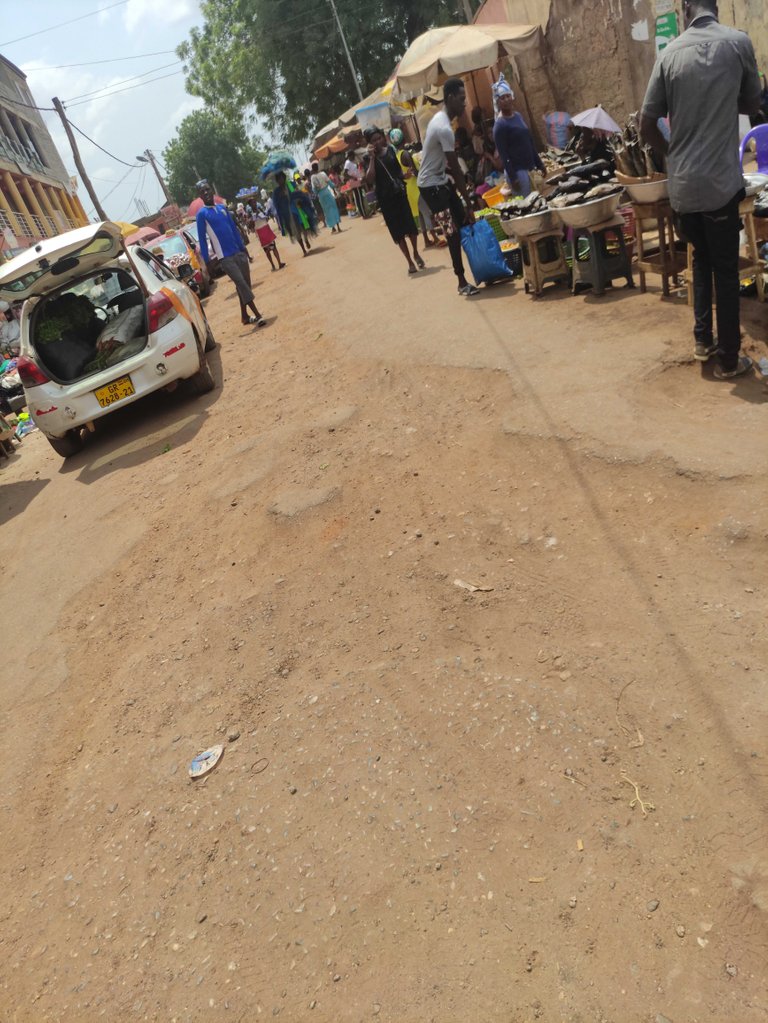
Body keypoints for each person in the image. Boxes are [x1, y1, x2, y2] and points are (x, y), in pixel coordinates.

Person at [640, 0, 761, 379]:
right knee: (725, 271)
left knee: (700, 260)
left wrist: (673, 153)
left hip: (683, 189)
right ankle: (729, 360)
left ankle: (702, 340)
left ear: (685, 10)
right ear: (715, 7)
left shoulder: (668, 55)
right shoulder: (737, 43)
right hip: (719, 185)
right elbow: (752, 103)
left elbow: (646, 124)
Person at [417, 77, 480, 297]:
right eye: (462, 99)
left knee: (462, 221)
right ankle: (461, 282)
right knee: (452, 232)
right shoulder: (444, 127)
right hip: (430, 187)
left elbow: (446, 164)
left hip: (441, 180)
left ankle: (478, 269)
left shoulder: (440, 119)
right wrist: (469, 201)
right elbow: (455, 166)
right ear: (451, 98)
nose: (464, 104)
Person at [195, 180, 266, 327]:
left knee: (245, 284)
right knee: (241, 283)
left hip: (238, 252)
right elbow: (202, 239)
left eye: (207, 189)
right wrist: (207, 262)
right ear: (200, 196)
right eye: (203, 191)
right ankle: (258, 315)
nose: (206, 192)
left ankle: (244, 316)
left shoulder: (222, 208)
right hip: (225, 257)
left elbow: (233, 229)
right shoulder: (201, 214)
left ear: (212, 191)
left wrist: (243, 247)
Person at [363, 126, 425, 275]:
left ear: (383, 137)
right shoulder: (367, 158)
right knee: (398, 232)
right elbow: (369, 179)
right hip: (386, 200)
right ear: (369, 143)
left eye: (379, 138)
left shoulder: (390, 150)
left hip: (399, 194)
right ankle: (409, 261)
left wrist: (405, 176)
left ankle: (416, 252)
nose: (377, 142)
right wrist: (372, 158)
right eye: (373, 140)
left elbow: (397, 172)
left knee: (411, 227)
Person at [492, 73, 544, 196]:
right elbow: (504, 154)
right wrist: (513, 177)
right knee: (527, 204)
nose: (506, 100)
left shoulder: (518, 116)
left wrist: (539, 163)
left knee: (539, 201)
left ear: (512, 96)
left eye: (508, 96)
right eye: (502, 98)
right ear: (497, 102)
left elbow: (529, 141)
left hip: (530, 168)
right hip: (518, 173)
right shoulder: (500, 126)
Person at [272, 170, 315, 256]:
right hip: (288, 214)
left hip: (297, 209)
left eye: (282, 178)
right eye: (279, 179)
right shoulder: (276, 192)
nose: (281, 180)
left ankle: (306, 239)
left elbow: (298, 193)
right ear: (277, 181)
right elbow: (277, 205)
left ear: (284, 178)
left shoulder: (291, 184)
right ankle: (303, 249)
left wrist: (299, 200)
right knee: (296, 231)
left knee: (304, 227)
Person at [310, 161, 342, 234]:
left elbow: (314, 189)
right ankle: (338, 227)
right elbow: (330, 183)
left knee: (327, 211)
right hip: (328, 192)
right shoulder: (323, 174)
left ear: (312, 169)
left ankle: (333, 228)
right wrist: (334, 187)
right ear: (318, 168)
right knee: (333, 208)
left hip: (321, 195)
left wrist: (317, 193)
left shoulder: (313, 177)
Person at [253, 203, 286, 271]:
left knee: (274, 247)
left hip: (266, 229)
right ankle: (273, 265)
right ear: (250, 205)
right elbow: (251, 226)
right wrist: (254, 216)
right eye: (252, 203)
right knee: (267, 251)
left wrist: (262, 213)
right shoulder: (250, 214)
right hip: (260, 232)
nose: (254, 204)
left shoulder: (260, 210)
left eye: (254, 202)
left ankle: (279, 263)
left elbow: (267, 218)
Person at [343, 149, 367, 218]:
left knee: (359, 197)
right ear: (351, 156)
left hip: (356, 180)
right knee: (359, 197)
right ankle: (363, 214)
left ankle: (363, 213)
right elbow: (345, 174)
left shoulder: (352, 161)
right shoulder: (348, 162)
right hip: (354, 181)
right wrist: (352, 177)